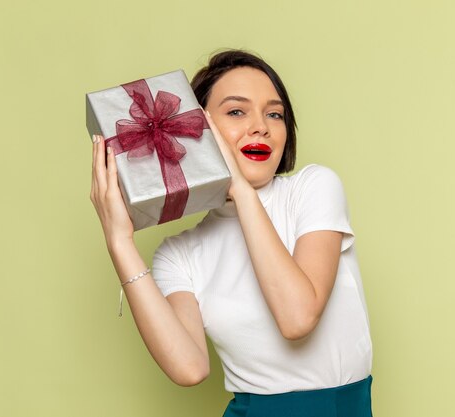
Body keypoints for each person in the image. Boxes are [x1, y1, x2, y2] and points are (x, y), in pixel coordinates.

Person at [90, 50, 373, 417]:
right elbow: (189, 369)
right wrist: (119, 241)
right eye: (237, 111)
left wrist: (240, 189)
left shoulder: (314, 188)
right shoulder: (179, 254)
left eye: (275, 113)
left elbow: (297, 318)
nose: (261, 126)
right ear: (197, 130)